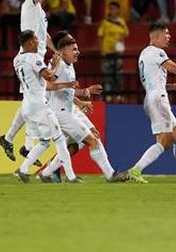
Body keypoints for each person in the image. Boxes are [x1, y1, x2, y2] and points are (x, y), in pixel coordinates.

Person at [119, 21, 176, 184]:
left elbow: (152, 81)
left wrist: (173, 86)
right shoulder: (157, 52)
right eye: (166, 34)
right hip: (158, 99)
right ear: (156, 36)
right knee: (164, 141)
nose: (169, 37)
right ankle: (135, 170)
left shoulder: (144, 53)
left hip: (154, 96)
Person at [38, 34, 122, 182]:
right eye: (74, 49)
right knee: (93, 140)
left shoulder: (68, 65)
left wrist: (84, 93)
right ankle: (111, 175)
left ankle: (45, 174)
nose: (78, 52)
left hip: (67, 110)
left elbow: (66, 90)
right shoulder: (58, 65)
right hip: (60, 113)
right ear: (63, 51)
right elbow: (48, 86)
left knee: (74, 147)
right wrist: (73, 88)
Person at [0, 0, 52, 164]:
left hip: (31, 58)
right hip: (29, 59)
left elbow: (45, 36)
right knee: (35, 100)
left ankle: (9, 139)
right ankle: (28, 147)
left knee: (29, 101)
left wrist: (55, 50)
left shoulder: (38, 11)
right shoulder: (30, 3)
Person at [11, 30, 79, 183]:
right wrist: (54, 66)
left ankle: (22, 170)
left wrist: (66, 83)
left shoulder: (16, 59)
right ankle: (71, 176)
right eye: (35, 40)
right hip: (40, 105)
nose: (38, 42)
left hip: (27, 105)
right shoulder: (34, 58)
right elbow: (49, 77)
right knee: (60, 140)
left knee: (44, 141)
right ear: (29, 43)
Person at [98, 1, 129, 99]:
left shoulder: (121, 21)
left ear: (118, 10)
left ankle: (118, 95)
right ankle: (107, 95)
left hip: (118, 52)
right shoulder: (105, 22)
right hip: (107, 51)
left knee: (118, 74)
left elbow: (125, 34)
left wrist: (121, 43)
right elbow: (100, 36)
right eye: (111, 8)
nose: (112, 10)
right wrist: (101, 50)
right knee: (107, 74)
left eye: (114, 8)